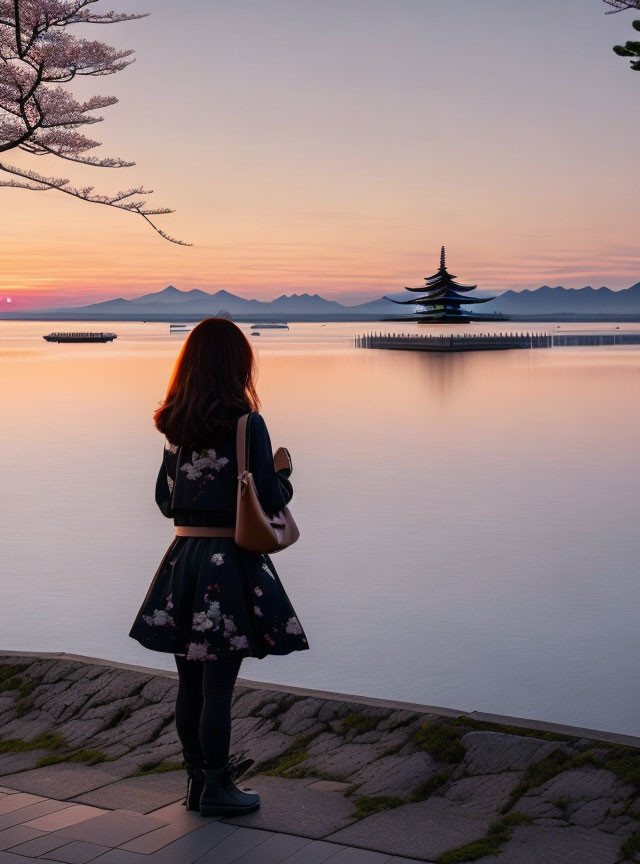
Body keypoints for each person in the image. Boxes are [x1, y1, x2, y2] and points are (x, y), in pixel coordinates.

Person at [129, 317, 309, 817]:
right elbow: (268, 499)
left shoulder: (174, 425)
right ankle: (217, 786)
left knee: (189, 685)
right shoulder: (247, 423)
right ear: (237, 366)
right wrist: (284, 477)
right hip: (228, 564)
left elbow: (167, 502)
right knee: (218, 688)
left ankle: (195, 783)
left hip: (182, 561)